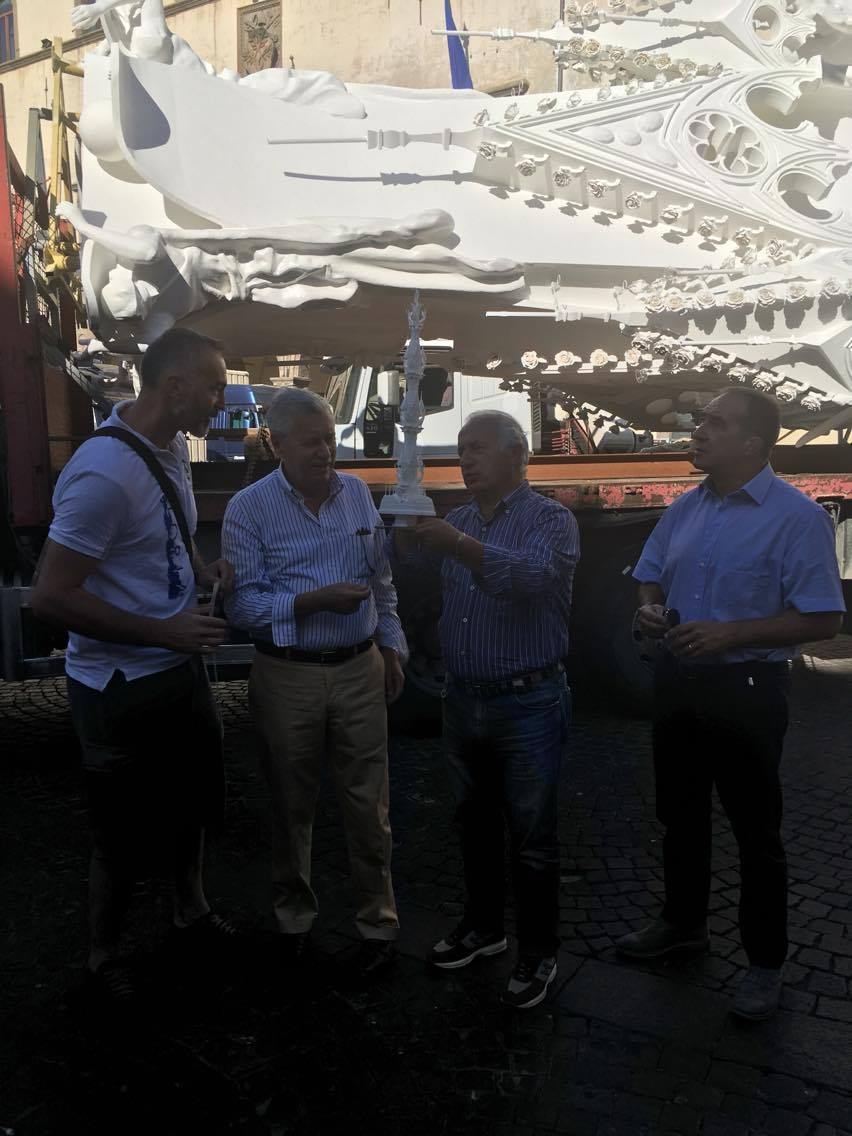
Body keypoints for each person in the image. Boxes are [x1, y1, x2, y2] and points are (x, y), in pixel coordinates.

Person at [616, 387, 844, 1021]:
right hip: (679, 683)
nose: (698, 431)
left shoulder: (797, 518)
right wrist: (649, 609)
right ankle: (683, 927)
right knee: (679, 815)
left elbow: (824, 618)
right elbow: (648, 574)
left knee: (755, 831)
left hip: (748, 690)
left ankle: (765, 964)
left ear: (753, 443)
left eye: (714, 423)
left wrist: (731, 634)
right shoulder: (686, 507)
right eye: (700, 420)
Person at [31, 327, 237, 1009]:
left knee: (193, 804)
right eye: (213, 387)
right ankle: (104, 956)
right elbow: (50, 597)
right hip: (117, 687)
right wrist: (163, 629)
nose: (221, 400)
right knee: (118, 835)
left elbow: (166, 538)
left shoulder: (171, 446)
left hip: (177, 671)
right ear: (174, 388)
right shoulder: (102, 472)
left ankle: (190, 913)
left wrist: (203, 572)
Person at [221, 387, 407, 983]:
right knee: (290, 804)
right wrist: (311, 602)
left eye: (329, 439)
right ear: (277, 444)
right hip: (287, 673)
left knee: (369, 805)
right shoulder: (249, 508)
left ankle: (378, 924)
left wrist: (391, 646)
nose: (325, 451)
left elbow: (381, 582)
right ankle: (293, 921)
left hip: (359, 667)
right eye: (311, 442)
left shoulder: (357, 493)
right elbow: (242, 606)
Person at [402, 410, 578, 1010]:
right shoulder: (457, 519)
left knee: (532, 836)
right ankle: (483, 928)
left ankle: (539, 950)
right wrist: (404, 528)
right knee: (472, 823)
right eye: (461, 449)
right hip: (463, 697)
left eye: (477, 448)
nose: (465, 459)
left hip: (528, 700)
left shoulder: (550, 519)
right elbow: (418, 574)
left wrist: (460, 546)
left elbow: (532, 578)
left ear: (517, 455)